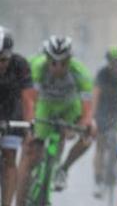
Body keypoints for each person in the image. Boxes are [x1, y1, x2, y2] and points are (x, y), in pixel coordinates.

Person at [17, 36, 95, 205]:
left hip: (69, 107)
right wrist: (31, 127)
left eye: (63, 63)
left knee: (91, 131)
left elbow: (88, 110)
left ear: (70, 60)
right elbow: (31, 101)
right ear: (47, 58)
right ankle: (22, 198)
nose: (58, 67)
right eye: (53, 62)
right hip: (45, 106)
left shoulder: (80, 72)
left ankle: (63, 168)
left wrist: (82, 126)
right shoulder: (37, 68)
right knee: (32, 148)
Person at [0, 26, 35, 206]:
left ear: (10, 55)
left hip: (11, 106)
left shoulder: (20, 64)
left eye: (3, 60)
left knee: (9, 156)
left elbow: (28, 99)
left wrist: (30, 125)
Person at [91, 46, 117, 198]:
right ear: (108, 63)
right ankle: (98, 180)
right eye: (113, 63)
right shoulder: (102, 74)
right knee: (100, 144)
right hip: (103, 111)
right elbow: (95, 96)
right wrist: (92, 118)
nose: (116, 66)